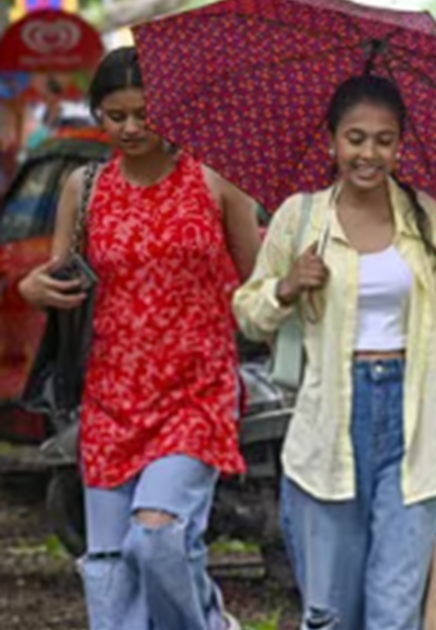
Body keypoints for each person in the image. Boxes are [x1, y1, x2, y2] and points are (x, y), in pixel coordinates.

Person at [233, 74, 436, 630]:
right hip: (327, 427)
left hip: (418, 425)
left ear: (401, 144)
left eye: (384, 140)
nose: (369, 153)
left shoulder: (425, 217)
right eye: (355, 138)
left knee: (392, 613)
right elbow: (247, 310)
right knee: (331, 615)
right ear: (333, 140)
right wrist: (287, 286)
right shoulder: (300, 217)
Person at [17, 47, 260, 630]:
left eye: (143, 114)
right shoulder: (85, 186)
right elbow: (62, 280)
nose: (129, 128)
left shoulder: (214, 178)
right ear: (98, 113)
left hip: (195, 394)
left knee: (158, 539)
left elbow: (257, 287)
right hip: (110, 397)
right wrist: (32, 288)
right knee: (108, 568)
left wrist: (295, 280)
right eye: (114, 115)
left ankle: (207, 621)